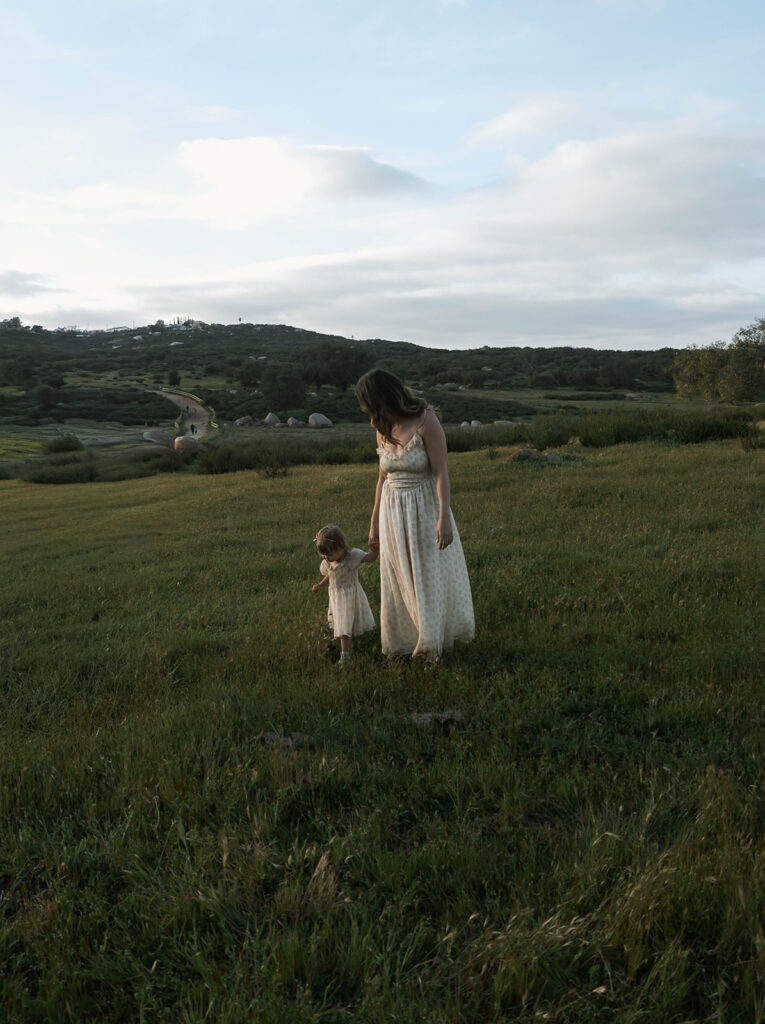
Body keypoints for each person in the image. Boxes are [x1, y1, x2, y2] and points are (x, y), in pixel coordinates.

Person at [354, 369, 474, 660]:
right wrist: (374, 525)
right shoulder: (381, 427)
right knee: (398, 576)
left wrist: (443, 516)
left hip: (424, 507)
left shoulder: (425, 419)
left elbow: (441, 471)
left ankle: (430, 645)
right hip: (392, 511)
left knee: (425, 573)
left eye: (367, 401)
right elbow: (382, 478)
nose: (366, 408)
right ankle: (402, 644)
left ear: (382, 396)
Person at [312, 525, 377, 666]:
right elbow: (330, 576)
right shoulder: (328, 562)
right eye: (323, 554)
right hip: (337, 599)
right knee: (343, 627)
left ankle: (346, 657)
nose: (326, 558)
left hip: (349, 598)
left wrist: (374, 550)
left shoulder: (351, 558)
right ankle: (347, 651)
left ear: (341, 547)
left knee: (344, 630)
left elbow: (370, 558)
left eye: (329, 554)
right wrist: (320, 585)